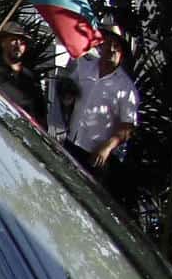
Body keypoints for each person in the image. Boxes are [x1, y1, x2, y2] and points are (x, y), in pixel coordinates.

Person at [49, 22, 139, 180]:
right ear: (101, 46)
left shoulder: (126, 88)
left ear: (122, 53)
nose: (111, 49)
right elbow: (68, 91)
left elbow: (128, 127)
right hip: (71, 143)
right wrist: (67, 97)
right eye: (109, 43)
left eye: (116, 46)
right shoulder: (84, 67)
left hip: (95, 155)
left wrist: (107, 148)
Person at [0, 14, 46, 123]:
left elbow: (40, 115)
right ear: (2, 42)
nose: (18, 45)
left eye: (22, 42)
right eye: (14, 40)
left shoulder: (31, 79)